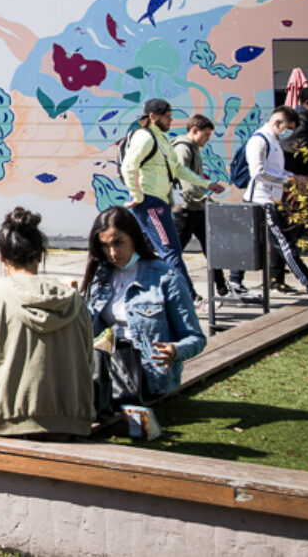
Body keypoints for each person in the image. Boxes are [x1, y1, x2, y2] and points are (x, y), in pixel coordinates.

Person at [0, 208, 93, 534]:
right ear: (40, 256)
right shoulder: (73, 299)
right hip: (74, 415)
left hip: (12, 419)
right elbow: (89, 360)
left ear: (1, 257)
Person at [80, 207, 205, 401]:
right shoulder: (100, 275)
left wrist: (175, 351)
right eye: (105, 246)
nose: (112, 253)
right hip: (105, 372)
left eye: (118, 243)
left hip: (149, 379)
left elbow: (195, 338)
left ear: (134, 238)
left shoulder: (166, 277)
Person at [229, 105, 308, 301]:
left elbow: (276, 171)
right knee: (285, 245)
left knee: (254, 242)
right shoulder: (259, 141)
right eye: (286, 127)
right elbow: (258, 174)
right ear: (277, 122)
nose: (287, 132)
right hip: (262, 201)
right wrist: (289, 180)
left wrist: (295, 177)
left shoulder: (272, 140)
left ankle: (235, 282)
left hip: (269, 199)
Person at [120, 98, 225, 302]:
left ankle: (141, 289)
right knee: (170, 252)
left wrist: (207, 184)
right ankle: (191, 298)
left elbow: (177, 169)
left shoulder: (163, 139)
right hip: (150, 202)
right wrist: (137, 195)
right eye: (167, 116)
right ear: (153, 116)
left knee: (161, 250)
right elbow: (128, 166)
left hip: (160, 202)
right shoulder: (145, 137)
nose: (171, 120)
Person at [170, 114, 220, 296]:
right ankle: (172, 288)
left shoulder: (193, 148)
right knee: (174, 253)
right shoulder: (183, 148)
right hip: (186, 209)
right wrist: (201, 197)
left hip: (197, 207)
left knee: (211, 247)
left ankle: (222, 287)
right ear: (194, 130)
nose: (207, 140)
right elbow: (184, 177)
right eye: (205, 135)